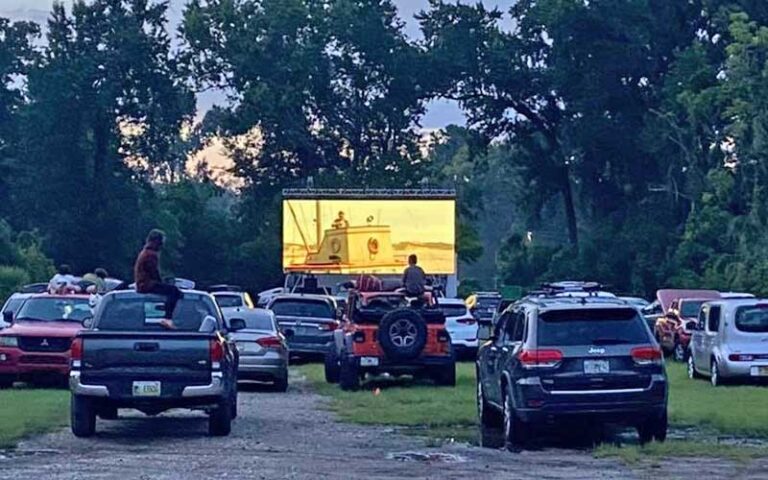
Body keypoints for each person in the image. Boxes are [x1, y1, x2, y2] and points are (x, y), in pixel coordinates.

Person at [134, 229, 182, 327]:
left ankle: (167, 311)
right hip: (146, 284)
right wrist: (162, 282)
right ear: (157, 241)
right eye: (161, 242)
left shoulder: (145, 252)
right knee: (174, 291)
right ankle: (167, 318)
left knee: (171, 290)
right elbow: (153, 272)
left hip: (143, 284)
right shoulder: (151, 254)